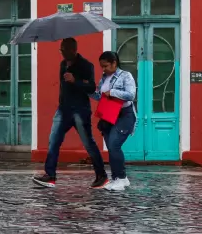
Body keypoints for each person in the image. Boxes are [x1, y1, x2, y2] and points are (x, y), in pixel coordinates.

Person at [33, 38, 108, 189]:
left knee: (88, 143)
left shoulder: (86, 65)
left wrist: (75, 81)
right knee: (53, 141)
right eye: (61, 50)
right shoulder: (63, 64)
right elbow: (63, 87)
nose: (62, 54)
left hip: (80, 110)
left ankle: (101, 176)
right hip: (63, 110)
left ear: (73, 50)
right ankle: (50, 176)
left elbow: (91, 87)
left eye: (65, 51)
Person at [91, 51, 137, 191]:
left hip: (124, 115)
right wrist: (88, 89)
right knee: (111, 147)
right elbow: (100, 96)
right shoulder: (104, 78)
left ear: (114, 63)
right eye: (102, 66)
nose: (103, 69)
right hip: (109, 115)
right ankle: (118, 178)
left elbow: (131, 95)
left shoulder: (125, 76)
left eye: (106, 66)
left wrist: (112, 92)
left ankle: (121, 178)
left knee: (114, 144)